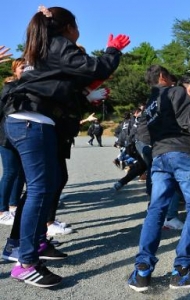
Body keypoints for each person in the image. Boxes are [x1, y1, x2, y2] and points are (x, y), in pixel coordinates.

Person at [1, 6, 128, 287]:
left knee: (46, 184)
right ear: (69, 27)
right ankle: (25, 261)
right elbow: (96, 66)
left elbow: (69, 83)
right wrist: (112, 50)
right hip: (31, 121)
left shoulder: (44, 47)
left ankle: (24, 246)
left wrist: (87, 92)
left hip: (31, 120)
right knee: (40, 188)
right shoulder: (58, 44)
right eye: (76, 25)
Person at [127, 65, 190, 292]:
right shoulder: (175, 91)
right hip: (181, 155)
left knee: (156, 210)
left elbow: (143, 135)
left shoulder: (150, 103)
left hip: (159, 158)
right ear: (164, 77)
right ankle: (183, 269)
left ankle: (142, 270)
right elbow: (189, 122)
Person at [0, 58, 25, 226]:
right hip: (6, 136)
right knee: (10, 172)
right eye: (22, 67)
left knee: (21, 172)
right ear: (15, 70)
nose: (25, 70)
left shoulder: (30, 86)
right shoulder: (9, 88)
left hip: (22, 137)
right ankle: (2, 210)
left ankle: (13, 205)